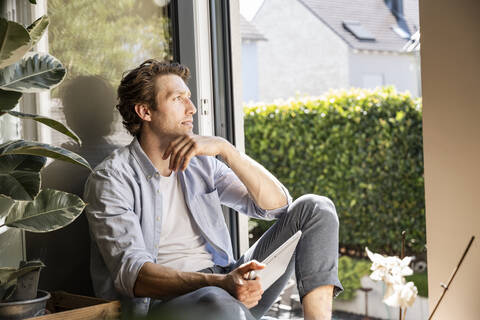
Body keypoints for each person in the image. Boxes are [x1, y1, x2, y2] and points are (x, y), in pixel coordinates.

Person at [84, 59, 343, 320]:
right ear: (145, 112)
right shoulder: (111, 179)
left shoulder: (201, 164)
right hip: (165, 305)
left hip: (228, 284)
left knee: (315, 208)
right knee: (219, 303)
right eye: (178, 99)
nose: (192, 108)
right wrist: (219, 284)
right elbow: (134, 276)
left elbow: (276, 206)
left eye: (189, 97)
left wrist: (227, 150)